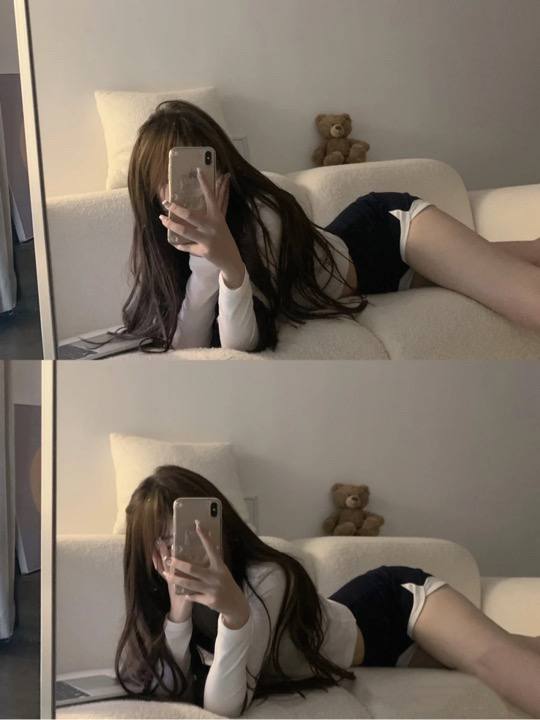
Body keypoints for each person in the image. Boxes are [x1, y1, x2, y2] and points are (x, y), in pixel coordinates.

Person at [115, 465, 540, 718]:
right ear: (145, 553)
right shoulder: (166, 604)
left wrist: (236, 614)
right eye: (164, 542)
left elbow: (227, 706)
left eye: (192, 533)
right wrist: (178, 613)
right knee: (510, 650)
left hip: (393, 607)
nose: (180, 551)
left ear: (219, 525)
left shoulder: (265, 578)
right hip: (371, 654)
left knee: (494, 661)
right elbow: (171, 693)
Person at [121, 100, 540, 354]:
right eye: (167, 179)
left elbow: (241, 345)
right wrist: (208, 266)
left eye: (197, 172)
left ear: (221, 167)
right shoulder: (165, 249)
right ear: (147, 191)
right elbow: (188, 350)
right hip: (381, 279)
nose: (183, 191)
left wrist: (228, 263)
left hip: (388, 236)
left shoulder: (260, 216)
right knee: (518, 257)